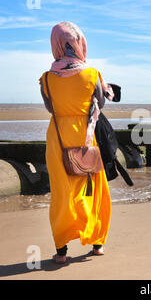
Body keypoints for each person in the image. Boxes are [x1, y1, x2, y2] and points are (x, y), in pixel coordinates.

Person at [39, 21, 114, 264]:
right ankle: (97, 244)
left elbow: (51, 108)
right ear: (78, 42)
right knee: (93, 186)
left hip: (59, 136)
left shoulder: (46, 79)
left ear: (56, 45)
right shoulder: (92, 74)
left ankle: (61, 251)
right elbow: (100, 105)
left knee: (62, 192)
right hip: (86, 135)